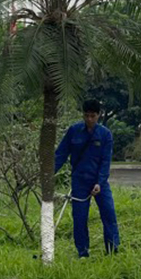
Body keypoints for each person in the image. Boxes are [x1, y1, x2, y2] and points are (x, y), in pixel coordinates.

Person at [54, 99, 120, 257]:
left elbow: (106, 161)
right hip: (79, 181)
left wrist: (100, 182)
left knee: (109, 213)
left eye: (93, 116)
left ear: (98, 115)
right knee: (79, 217)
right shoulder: (74, 131)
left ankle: (112, 249)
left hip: (99, 181)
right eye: (87, 116)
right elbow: (61, 154)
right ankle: (82, 252)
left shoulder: (105, 134)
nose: (89, 119)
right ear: (83, 115)